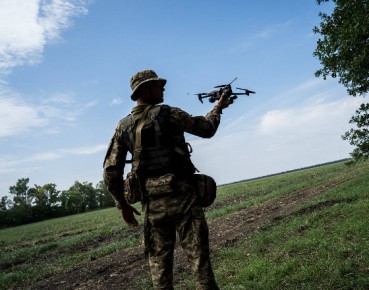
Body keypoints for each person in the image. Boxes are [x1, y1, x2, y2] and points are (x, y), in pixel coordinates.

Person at [103, 69, 231, 289]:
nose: (163, 88)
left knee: (159, 270)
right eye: (158, 85)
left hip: (152, 205)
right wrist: (218, 107)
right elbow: (206, 128)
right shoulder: (170, 113)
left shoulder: (122, 127)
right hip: (184, 198)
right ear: (145, 89)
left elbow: (110, 171)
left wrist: (122, 205)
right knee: (200, 264)